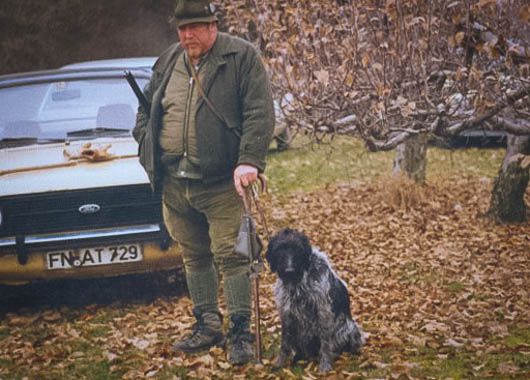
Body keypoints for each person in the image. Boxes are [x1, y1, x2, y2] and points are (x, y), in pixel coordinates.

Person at [132, 0, 274, 365]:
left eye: (195, 27)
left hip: (222, 182)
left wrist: (248, 161)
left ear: (213, 25)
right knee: (194, 255)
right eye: (181, 28)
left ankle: (241, 332)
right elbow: (146, 110)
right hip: (175, 183)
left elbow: (259, 112)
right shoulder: (167, 61)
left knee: (234, 256)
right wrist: (146, 141)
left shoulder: (241, 57)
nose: (187, 35)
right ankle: (207, 324)